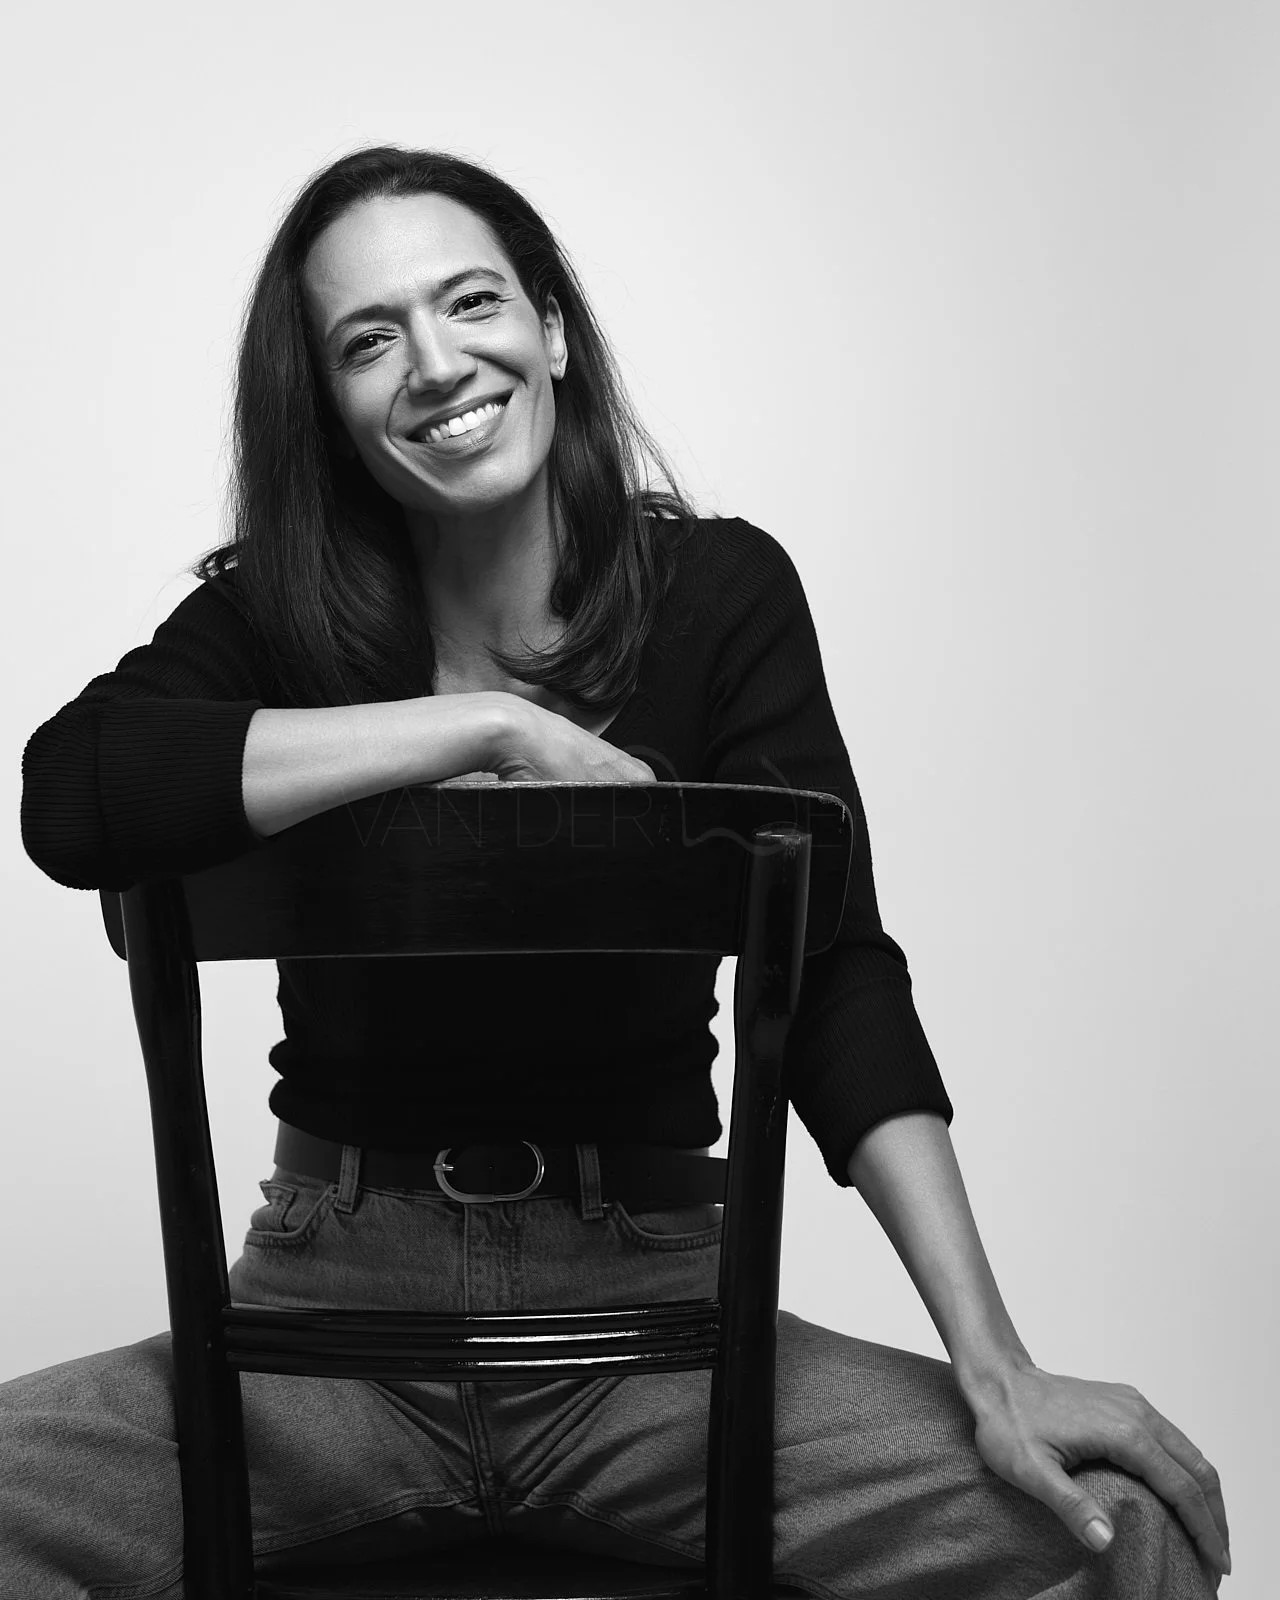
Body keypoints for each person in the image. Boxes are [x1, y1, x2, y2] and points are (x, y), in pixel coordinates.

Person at [9, 145, 1228, 1598]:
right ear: (327, 408)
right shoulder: (275, 622)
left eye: (472, 304)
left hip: (657, 1318)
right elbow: (72, 790)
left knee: (1117, 1524)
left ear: (553, 329)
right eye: (368, 339)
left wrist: (997, 1360)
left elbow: (835, 971)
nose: (436, 363)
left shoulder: (718, 596)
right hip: (320, 1331)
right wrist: (484, 726)